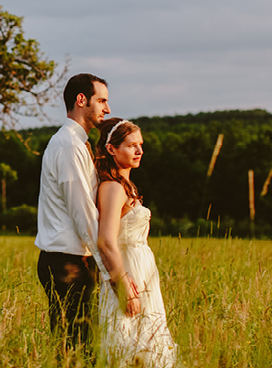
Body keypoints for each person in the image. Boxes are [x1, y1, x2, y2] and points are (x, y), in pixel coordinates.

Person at [35, 73, 111, 354]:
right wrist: (108, 267)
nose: (107, 108)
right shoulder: (69, 146)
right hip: (66, 263)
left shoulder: (76, 143)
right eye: (101, 100)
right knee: (77, 349)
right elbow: (82, 213)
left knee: (75, 346)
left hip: (71, 260)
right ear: (82, 100)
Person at [95, 118, 177, 367]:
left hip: (142, 270)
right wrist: (122, 285)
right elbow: (106, 240)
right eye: (131, 145)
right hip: (128, 270)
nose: (139, 151)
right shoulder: (112, 188)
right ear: (112, 149)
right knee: (127, 341)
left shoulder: (125, 186)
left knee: (147, 342)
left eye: (140, 145)